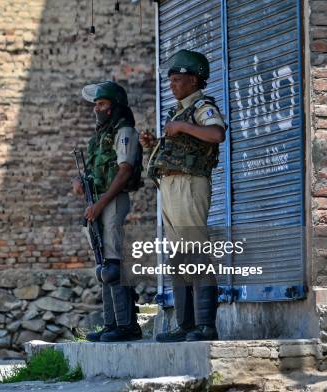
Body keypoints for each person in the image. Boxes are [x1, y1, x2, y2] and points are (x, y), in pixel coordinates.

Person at [140, 50, 226, 342]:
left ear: (193, 80)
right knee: (177, 257)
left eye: (177, 80)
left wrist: (183, 127)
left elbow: (216, 134)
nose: (172, 85)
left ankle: (206, 326)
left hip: (190, 185)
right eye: (171, 80)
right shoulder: (177, 111)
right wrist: (153, 145)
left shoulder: (202, 105)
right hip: (171, 185)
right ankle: (185, 325)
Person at [72, 81, 143, 342]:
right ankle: (111, 324)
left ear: (114, 107)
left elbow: (124, 172)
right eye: (96, 105)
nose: (97, 110)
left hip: (112, 200)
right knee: (103, 265)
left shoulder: (124, 132)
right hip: (98, 202)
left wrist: (101, 204)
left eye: (101, 105)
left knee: (113, 266)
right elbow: (94, 172)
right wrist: (79, 183)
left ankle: (126, 326)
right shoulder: (99, 136)